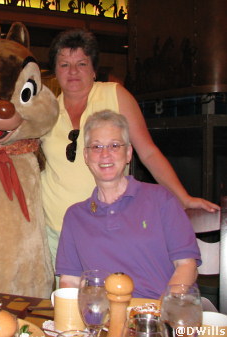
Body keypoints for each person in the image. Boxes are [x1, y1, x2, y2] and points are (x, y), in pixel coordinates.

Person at [40, 28, 219, 267]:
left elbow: (148, 152)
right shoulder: (45, 110)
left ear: (94, 70)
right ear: (55, 71)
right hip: (57, 227)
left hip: (112, 222)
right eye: (64, 64)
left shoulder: (115, 95)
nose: (73, 71)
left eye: (81, 63)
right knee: (69, 297)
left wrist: (183, 198)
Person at [56, 110, 200, 299]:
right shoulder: (75, 216)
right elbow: (70, 281)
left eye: (114, 145)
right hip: (102, 318)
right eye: (96, 147)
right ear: (86, 156)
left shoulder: (160, 199)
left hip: (158, 314)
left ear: (128, 153)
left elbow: (187, 266)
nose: (105, 154)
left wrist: (161, 312)